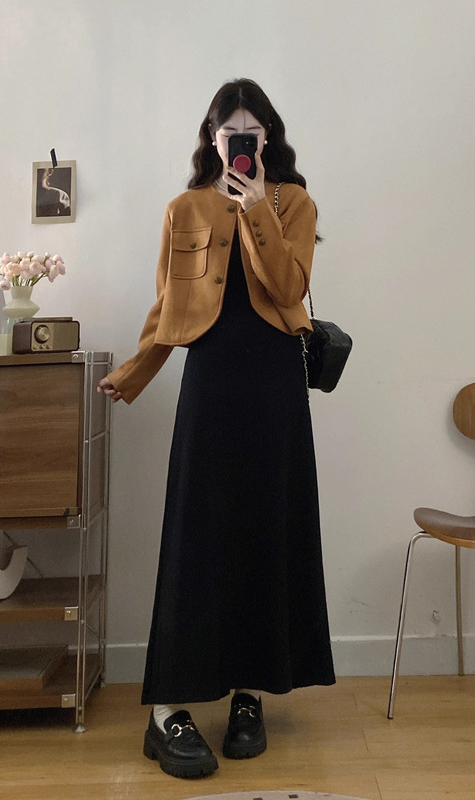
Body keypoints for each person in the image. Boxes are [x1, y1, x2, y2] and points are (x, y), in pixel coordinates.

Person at [98, 78, 335, 780]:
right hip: (210, 383)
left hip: (275, 387)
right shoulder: (184, 209)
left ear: (268, 137)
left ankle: (249, 694)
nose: (240, 143)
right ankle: (165, 710)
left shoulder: (294, 203)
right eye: (229, 133)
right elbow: (170, 306)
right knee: (196, 536)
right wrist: (136, 372)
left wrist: (258, 205)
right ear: (211, 138)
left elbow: (288, 289)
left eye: (252, 133)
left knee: (266, 530)